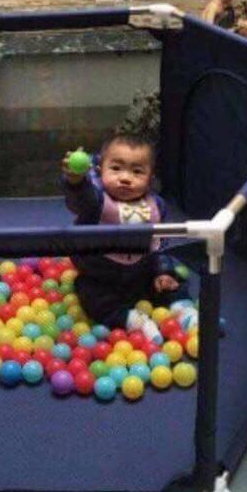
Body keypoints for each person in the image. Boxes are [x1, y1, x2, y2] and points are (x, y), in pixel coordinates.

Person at [61, 134, 189, 342]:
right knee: (90, 294)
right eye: (116, 168)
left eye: (137, 171)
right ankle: (132, 320)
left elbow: (159, 243)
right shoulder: (97, 202)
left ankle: (183, 310)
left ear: (150, 178)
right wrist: (76, 182)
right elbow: (80, 200)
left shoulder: (156, 206)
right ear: (100, 170)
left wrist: (162, 271)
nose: (125, 178)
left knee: (173, 276)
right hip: (101, 274)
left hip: (142, 271)